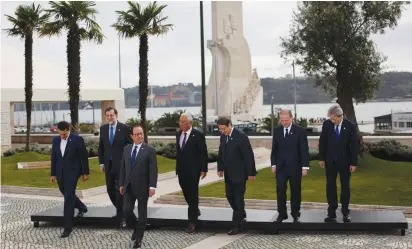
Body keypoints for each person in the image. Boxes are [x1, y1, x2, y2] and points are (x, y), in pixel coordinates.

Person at [119, 125, 158, 249]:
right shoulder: (126, 149)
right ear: (132, 136)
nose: (140, 136)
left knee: (142, 215)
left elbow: (153, 170)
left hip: (143, 187)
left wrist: (152, 186)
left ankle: (139, 239)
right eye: (136, 134)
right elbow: (123, 168)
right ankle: (136, 228)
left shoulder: (149, 150)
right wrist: (121, 184)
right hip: (128, 187)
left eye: (141, 133)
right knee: (126, 210)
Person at [217, 117, 256, 235]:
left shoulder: (241, 136)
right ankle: (241, 213)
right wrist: (220, 168)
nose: (222, 131)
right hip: (228, 173)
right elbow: (221, 152)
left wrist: (251, 173)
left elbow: (248, 155)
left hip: (239, 173)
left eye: (224, 129)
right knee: (229, 196)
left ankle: (237, 225)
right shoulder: (223, 136)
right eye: (220, 129)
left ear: (229, 125)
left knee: (238, 198)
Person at [319, 104, 358, 223]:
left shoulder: (350, 126)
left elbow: (355, 146)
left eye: (333, 118)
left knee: (345, 187)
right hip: (330, 162)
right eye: (330, 118)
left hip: (345, 163)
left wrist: (353, 163)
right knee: (330, 186)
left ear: (339, 116)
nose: (331, 120)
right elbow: (323, 141)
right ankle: (331, 213)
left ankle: (345, 213)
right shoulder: (327, 124)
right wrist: (321, 158)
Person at [50, 121, 89, 238]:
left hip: (73, 172)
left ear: (68, 130)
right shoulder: (56, 140)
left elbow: (83, 156)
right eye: (60, 134)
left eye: (64, 134)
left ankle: (68, 227)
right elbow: (54, 157)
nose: (62, 136)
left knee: (68, 198)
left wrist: (85, 172)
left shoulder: (77, 140)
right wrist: (53, 174)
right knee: (66, 193)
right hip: (60, 172)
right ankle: (82, 207)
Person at [270, 109, 309, 223]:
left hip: (295, 167)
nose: (284, 122)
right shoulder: (277, 131)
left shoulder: (300, 131)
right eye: (282, 120)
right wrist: (273, 164)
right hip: (281, 167)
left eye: (286, 120)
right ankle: (282, 214)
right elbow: (274, 149)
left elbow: (304, 150)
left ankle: (295, 214)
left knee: (295, 191)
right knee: (280, 190)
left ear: (291, 118)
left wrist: (305, 167)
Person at [98, 107, 132, 227]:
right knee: (109, 190)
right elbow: (101, 147)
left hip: (121, 165)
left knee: (120, 190)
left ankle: (120, 215)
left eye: (111, 115)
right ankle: (121, 211)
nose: (109, 118)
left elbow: (131, 146)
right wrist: (101, 162)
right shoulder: (103, 129)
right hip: (108, 165)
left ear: (116, 115)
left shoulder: (124, 128)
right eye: (107, 115)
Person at [175, 113, 208, 233]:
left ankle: (192, 222)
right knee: (186, 193)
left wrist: (204, 169)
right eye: (180, 121)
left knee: (193, 195)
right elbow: (179, 151)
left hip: (193, 170)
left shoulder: (198, 135)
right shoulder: (178, 134)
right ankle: (195, 210)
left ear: (190, 123)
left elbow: (203, 153)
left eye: (183, 122)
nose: (181, 124)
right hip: (181, 170)